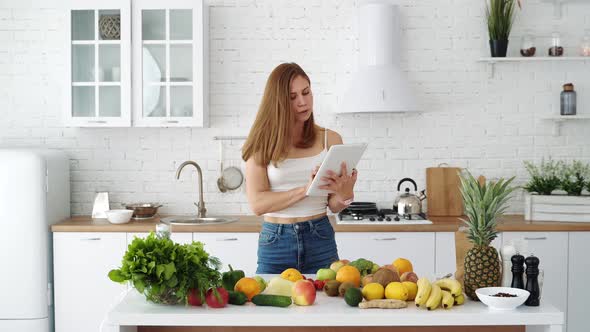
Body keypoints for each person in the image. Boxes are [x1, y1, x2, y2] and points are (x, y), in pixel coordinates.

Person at [241, 62, 358, 274]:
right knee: (269, 304)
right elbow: (257, 204)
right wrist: (307, 189)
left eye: (306, 92)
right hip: (275, 241)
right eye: (292, 97)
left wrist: (345, 193)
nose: (303, 102)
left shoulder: (330, 139)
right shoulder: (262, 142)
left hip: (320, 237)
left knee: (328, 305)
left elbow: (334, 205)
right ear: (278, 102)